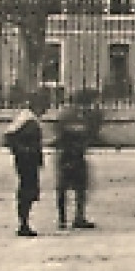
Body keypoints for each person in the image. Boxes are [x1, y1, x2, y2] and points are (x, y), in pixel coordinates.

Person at [53, 89, 101, 230]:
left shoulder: (68, 113)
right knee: (74, 186)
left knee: (70, 187)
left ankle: (66, 219)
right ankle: (75, 217)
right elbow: (85, 131)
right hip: (71, 153)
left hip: (69, 153)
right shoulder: (76, 115)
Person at [3, 89, 48, 237]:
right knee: (27, 189)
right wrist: (23, 151)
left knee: (28, 189)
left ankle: (24, 222)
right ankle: (23, 223)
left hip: (28, 159)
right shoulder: (28, 119)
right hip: (26, 160)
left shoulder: (28, 118)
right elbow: (10, 137)